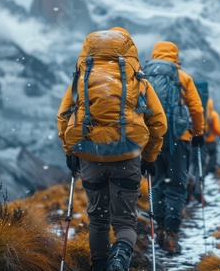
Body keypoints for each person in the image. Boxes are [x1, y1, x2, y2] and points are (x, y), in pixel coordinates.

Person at [57, 27, 167, 271]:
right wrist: (149, 158)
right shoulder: (139, 81)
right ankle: (120, 256)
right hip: (127, 155)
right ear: (129, 52)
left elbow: (63, 115)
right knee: (125, 221)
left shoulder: (82, 78)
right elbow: (159, 122)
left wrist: (70, 152)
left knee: (97, 219)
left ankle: (99, 266)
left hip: (90, 156)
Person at [146, 41, 204, 255]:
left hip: (153, 137)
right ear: (175, 57)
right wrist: (198, 134)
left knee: (157, 182)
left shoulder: (144, 75)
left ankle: (159, 228)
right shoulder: (183, 78)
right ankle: (170, 234)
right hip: (179, 138)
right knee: (177, 186)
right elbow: (196, 109)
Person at [203, 98, 220, 174]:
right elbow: (217, 129)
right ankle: (208, 171)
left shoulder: (200, 114)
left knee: (202, 157)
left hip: (201, 139)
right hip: (211, 140)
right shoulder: (214, 115)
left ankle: (201, 172)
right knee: (213, 155)